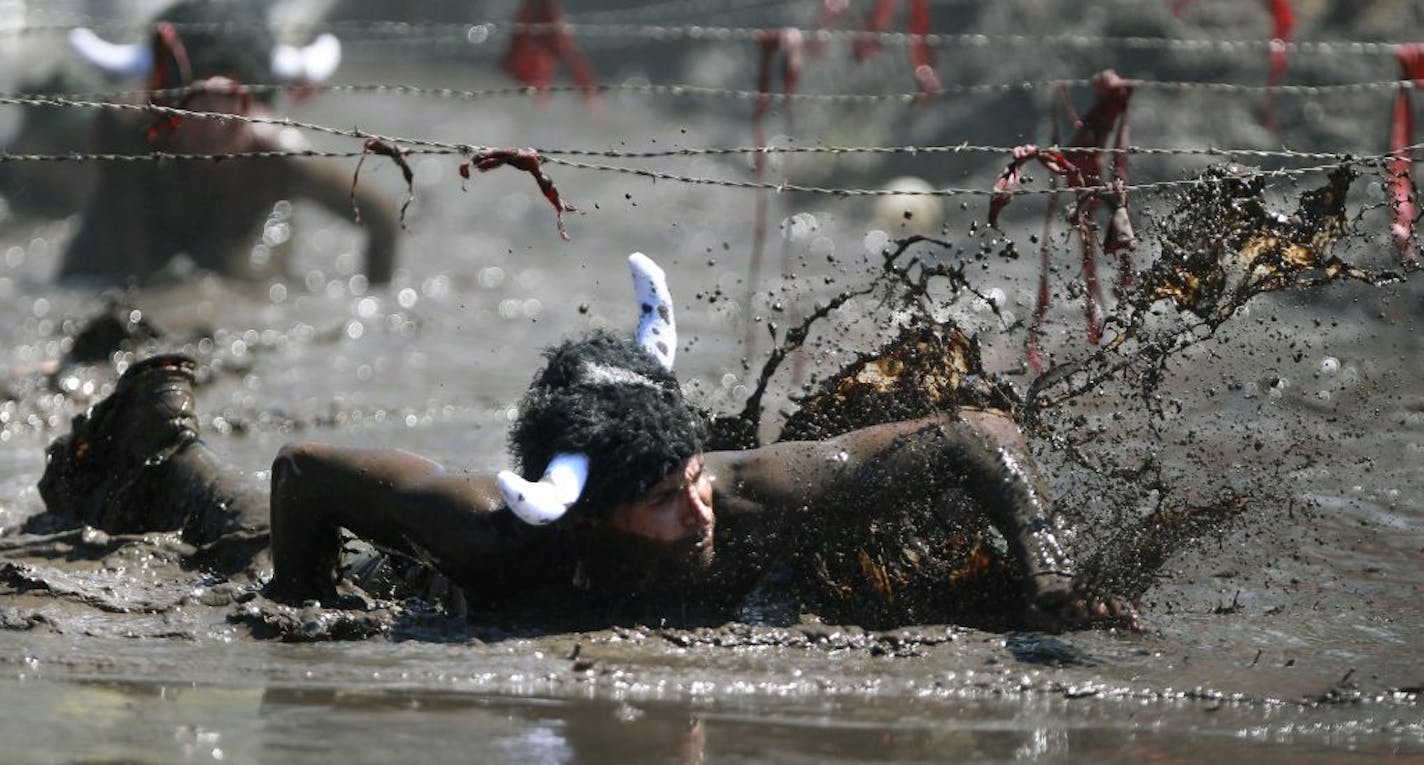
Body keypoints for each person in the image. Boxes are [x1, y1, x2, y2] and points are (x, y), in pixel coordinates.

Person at [31, 254, 1133, 631]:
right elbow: (304, 471)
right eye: (656, 501)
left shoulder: (753, 496)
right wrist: (306, 606)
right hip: (426, 581)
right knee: (246, 555)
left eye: (688, 481)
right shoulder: (486, 526)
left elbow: (970, 433)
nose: (693, 511)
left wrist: (1044, 572)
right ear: (587, 510)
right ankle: (151, 452)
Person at [56, 1, 398, 284]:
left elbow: (382, 220)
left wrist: (374, 302)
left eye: (230, 103)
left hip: (239, 240)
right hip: (146, 237)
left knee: (253, 279)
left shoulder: (280, 157)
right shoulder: (127, 135)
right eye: (195, 106)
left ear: (256, 107)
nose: (212, 124)